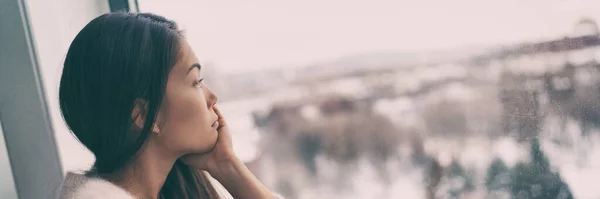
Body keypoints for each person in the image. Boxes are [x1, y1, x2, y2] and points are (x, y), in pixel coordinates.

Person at [57, 12, 281, 199]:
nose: (212, 97)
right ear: (143, 115)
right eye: (196, 82)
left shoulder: (175, 187)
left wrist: (226, 165)